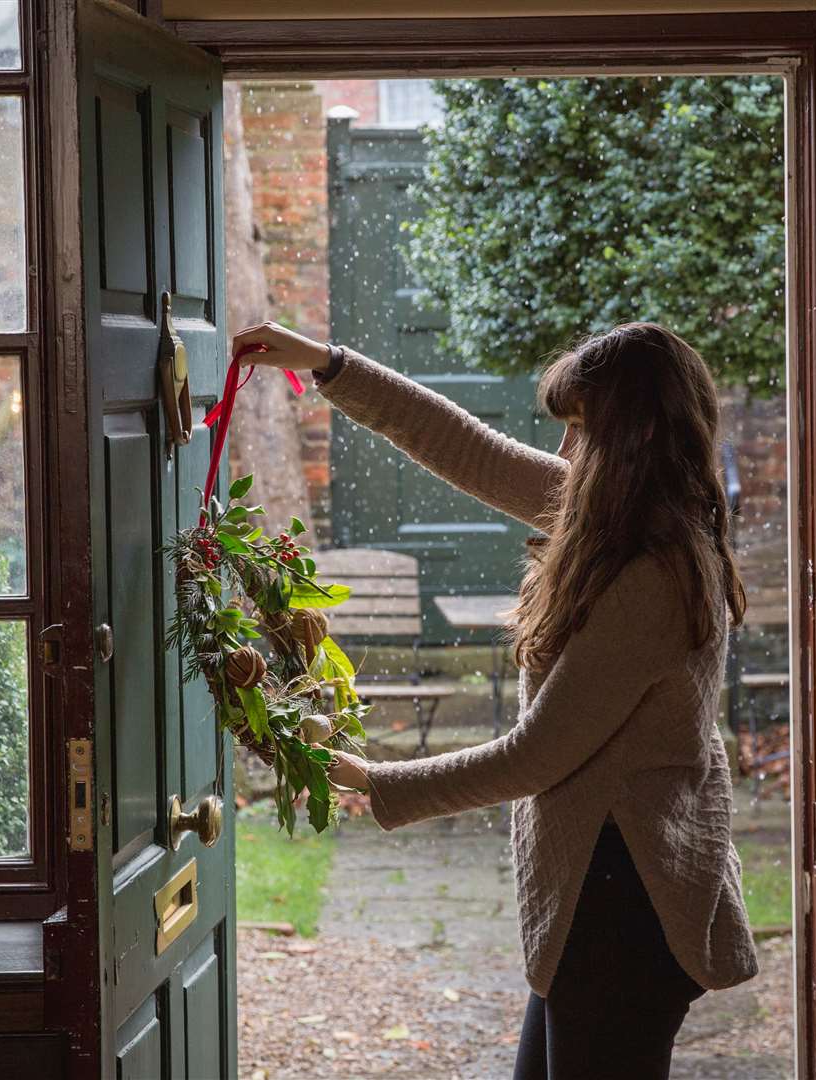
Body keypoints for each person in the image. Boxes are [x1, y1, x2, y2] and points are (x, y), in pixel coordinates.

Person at [229, 320, 758, 1080]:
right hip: (603, 891)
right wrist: (328, 362)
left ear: (637, 436)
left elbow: (535, 756)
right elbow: (463, 447)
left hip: (626, 905)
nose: (567, 454)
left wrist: (375, 780)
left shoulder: (654, 578)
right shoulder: (615, 514)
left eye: (582, 431)